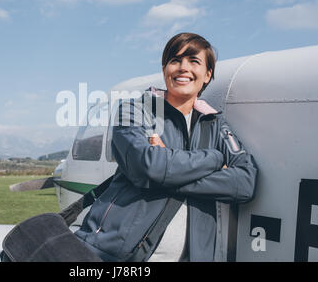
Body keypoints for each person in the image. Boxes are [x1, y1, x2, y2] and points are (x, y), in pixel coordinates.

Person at [74, 32, 258, 262]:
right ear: (165, 70)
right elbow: (147, 167)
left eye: (194, 61)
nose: (183, 68)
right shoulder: (134, 111)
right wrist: (213, 159)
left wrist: (167, 172)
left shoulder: (216, 125)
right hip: (119, 256)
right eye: (175, 60)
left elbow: (244, 183)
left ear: (207, 75)